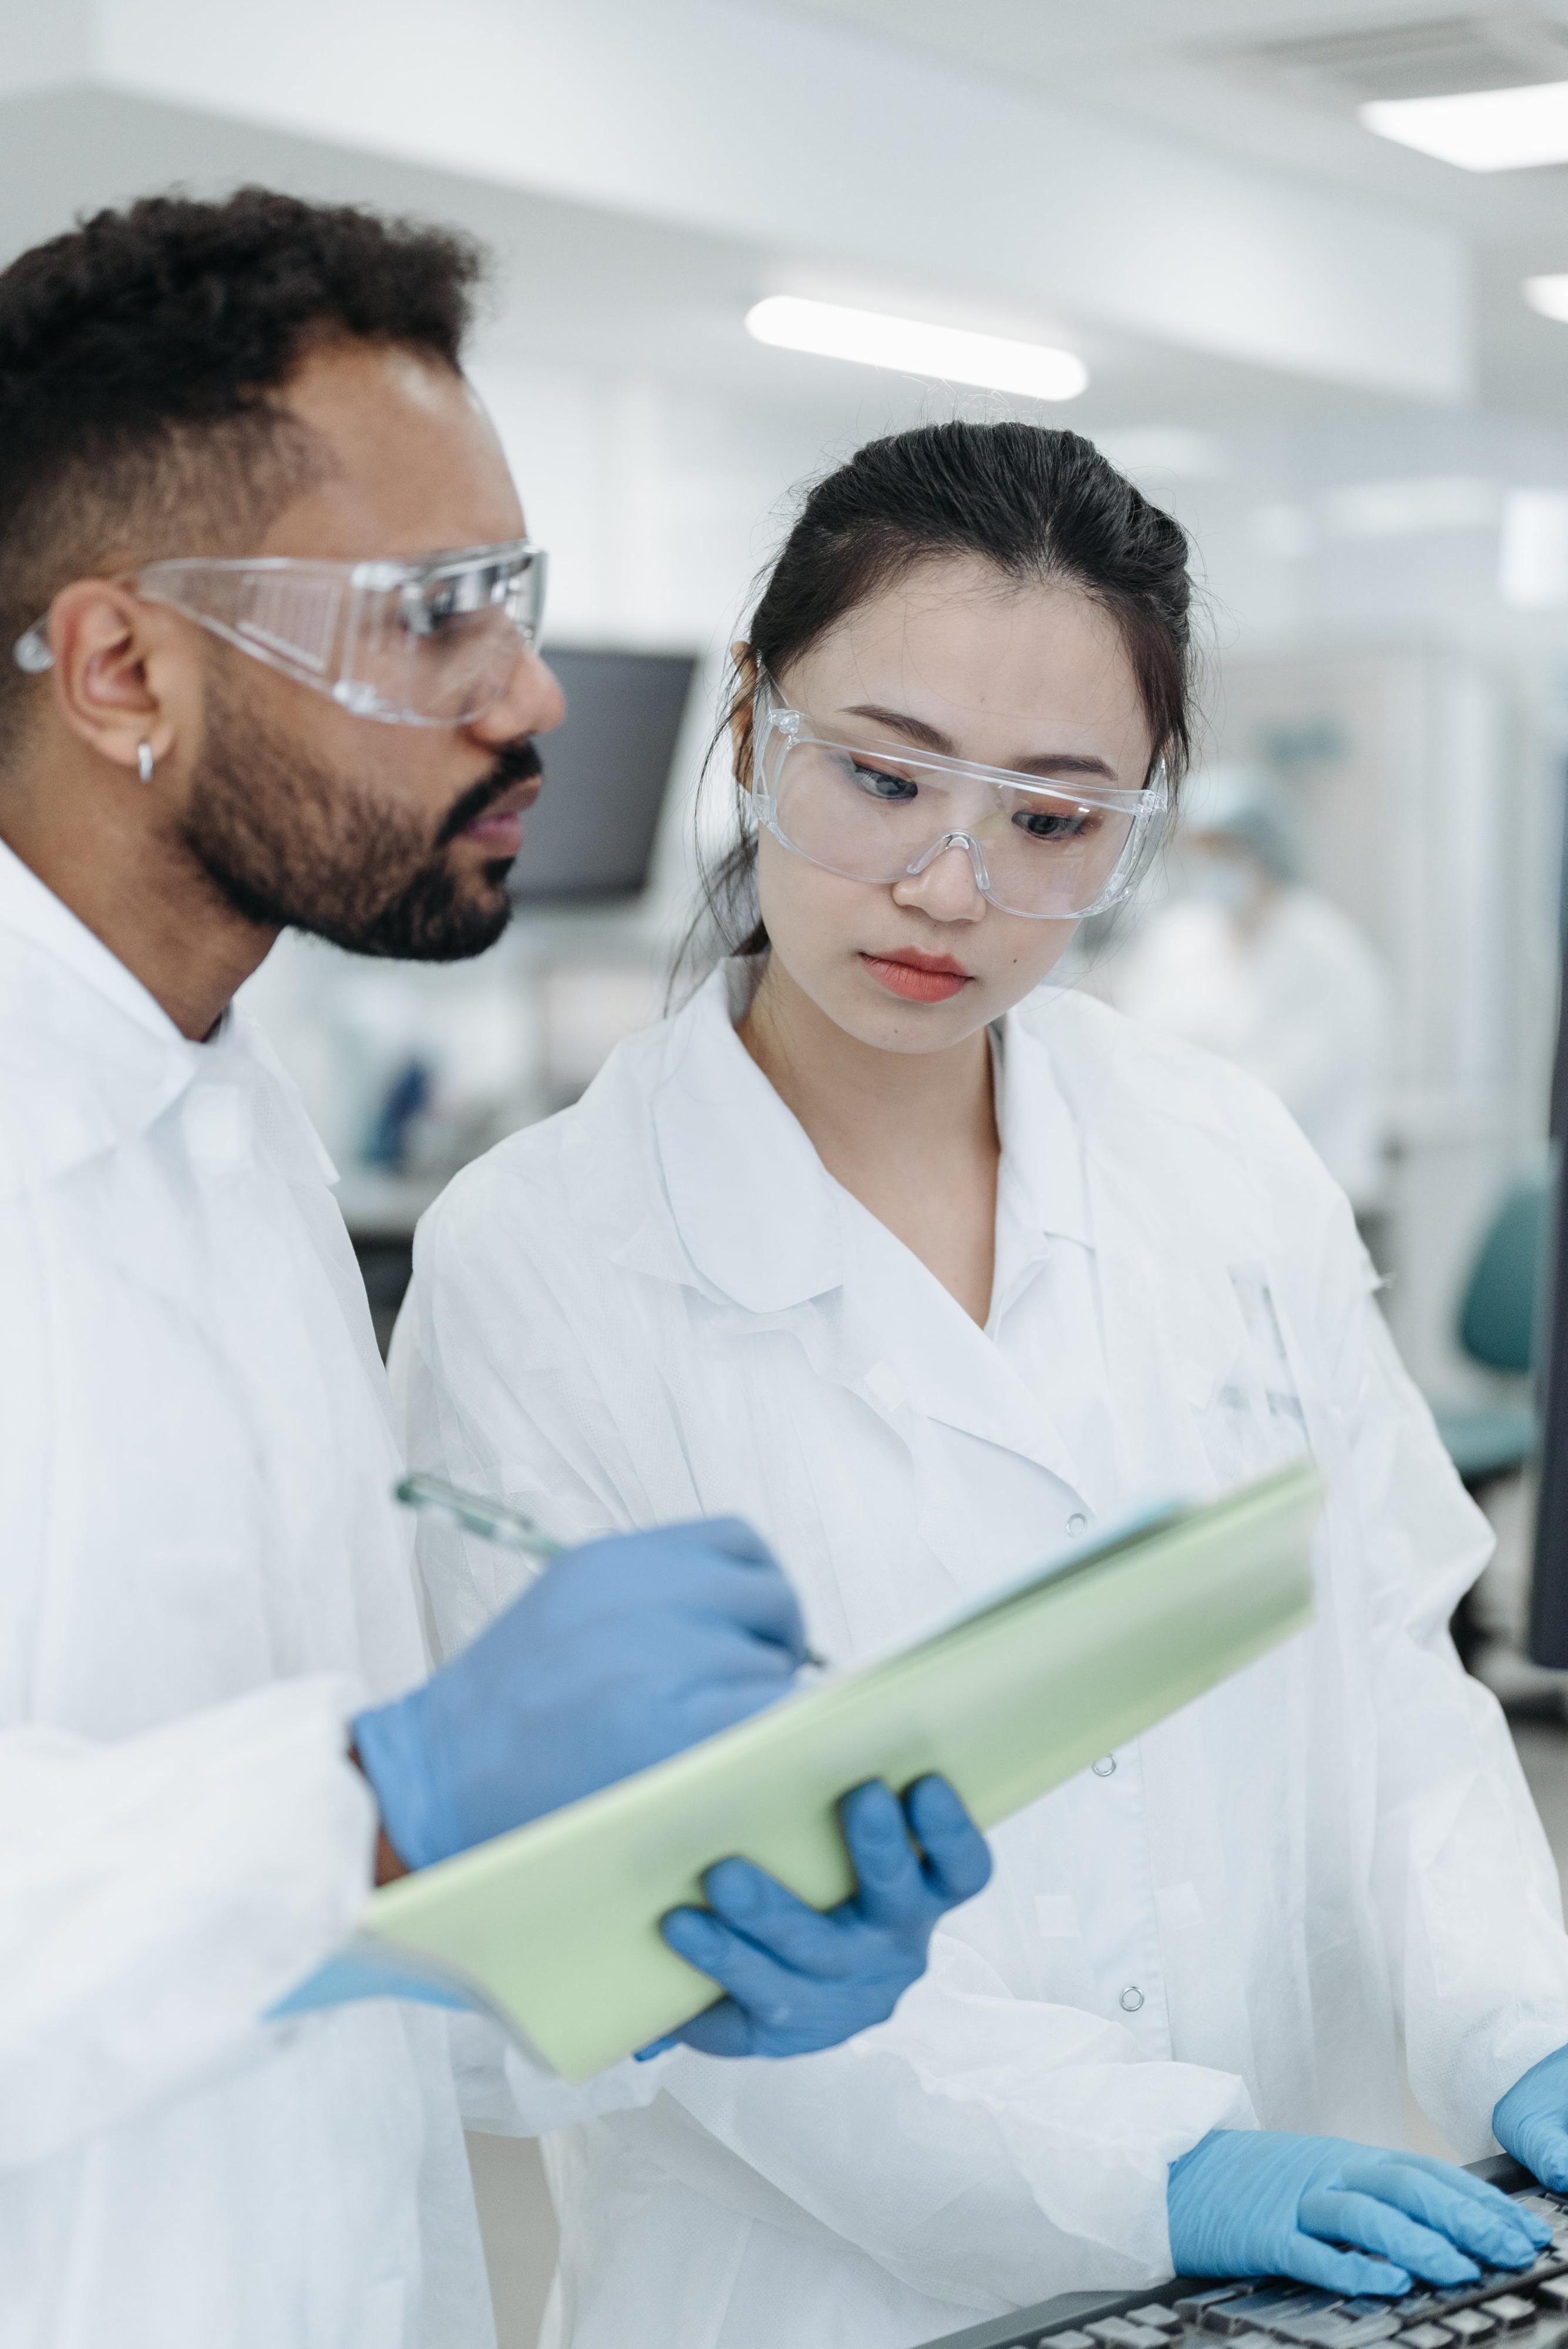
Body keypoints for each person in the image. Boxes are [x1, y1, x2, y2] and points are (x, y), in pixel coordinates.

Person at [395, 421, 1568, 2349]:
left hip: (1289, 2279)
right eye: (880, 775)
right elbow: (663, 1926)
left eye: (1052, 817)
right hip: (812, 2297)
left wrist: (1518, 2021)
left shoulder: (1221, 1153)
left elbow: (1393, 1683)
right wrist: (1139, 2167)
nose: (948, 883)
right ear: (754, 726)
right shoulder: (544, 1258)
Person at [0, 193, 993, 2348]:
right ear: (118, 668)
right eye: (436, 613)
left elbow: (314, 1953)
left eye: (513, 599)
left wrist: (665, 1966)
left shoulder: (224, 1114)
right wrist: (395, 1783)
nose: (529, 688)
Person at [1101, 768, 1392, 1214]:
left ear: (1263, 850)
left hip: (1315, 1199)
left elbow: (1278, 1095)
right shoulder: (1182, 938)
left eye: (1223, 853)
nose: (1207, 869)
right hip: (1208, 1195)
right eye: (1197, 853)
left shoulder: (1323, 953)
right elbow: (1130, 1042)